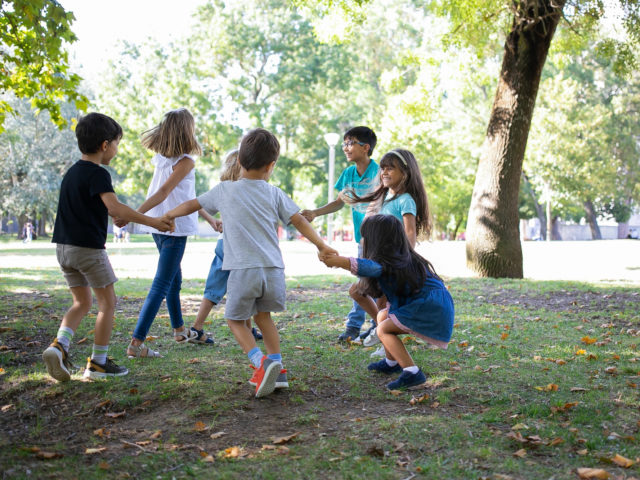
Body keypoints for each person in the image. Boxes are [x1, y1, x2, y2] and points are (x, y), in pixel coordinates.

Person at [163, 128, 336, 397]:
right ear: (271, 166)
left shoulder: (225, 190)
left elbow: (193, 204)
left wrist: (170, 214)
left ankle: (260, 363)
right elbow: (299, 219)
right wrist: (322, 245)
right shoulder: (274, 193)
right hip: (273, 271)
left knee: (234, 319)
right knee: (264, 318)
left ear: (239, 162)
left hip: (243, 270)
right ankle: (278, 368)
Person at [41, 112, 173, 382]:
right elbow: (114, 208)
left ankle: (60, 346)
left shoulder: (71, 174)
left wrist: (120, 216)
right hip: (88, 250)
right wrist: (153, 221)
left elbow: (103, 210)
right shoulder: (98, 174)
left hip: (63, 250)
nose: (116, 149)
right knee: (107, 304)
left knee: (81, 302)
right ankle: (98, 363)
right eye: (116, 143)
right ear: (105, 145)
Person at [319, 214, 454, 390]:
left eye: (364, 237)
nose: (362, 242)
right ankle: (392, 362)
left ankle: (412, 372)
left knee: (383, 329)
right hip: (429, 305)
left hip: (428, 308)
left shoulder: (389, 263)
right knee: (382, 316)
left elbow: (369, 267)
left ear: (377, 241)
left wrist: (339, 261)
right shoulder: (400, 259)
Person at [121, 108, 210, 358]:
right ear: (187, 131)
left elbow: (189, 197)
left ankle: (180, 330)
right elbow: (162, 194)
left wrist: (211, 219)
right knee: (162, 283)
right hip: (173, 227)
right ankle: (136, 343)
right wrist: (131, 213)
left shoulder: (162, 159)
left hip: (158, 227)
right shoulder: (185, 162)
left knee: (174, 280)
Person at [343, 148, 432, 350]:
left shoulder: (406, 200)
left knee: (382, 303)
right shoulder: (384, 198)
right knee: (358, 292)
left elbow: (410, 233)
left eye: (390, 168)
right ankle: (380, 328)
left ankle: (386, 341)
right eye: (382, 168)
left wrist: (405, 260)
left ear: (405, 173)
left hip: (393, 263)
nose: (384, 172)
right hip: (378, 261)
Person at [301, 126, 378, 342]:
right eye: (344, 143)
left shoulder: (379, 172)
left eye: (350, 143)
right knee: (364, 282)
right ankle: (372, 325)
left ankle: (359, 327)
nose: (346, 147)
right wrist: (315, 213)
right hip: (361, 240)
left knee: (366, 283)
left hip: (380, 240)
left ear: (366, 147)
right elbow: (338, 203)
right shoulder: (348, 174)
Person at [188, 149, 263, 345]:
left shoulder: (224, 188)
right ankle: (199, 328)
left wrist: (217, 221)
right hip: (238, 247)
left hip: (223, 243)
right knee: (244, 286)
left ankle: (198, 327)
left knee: (216, 287)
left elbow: (199, 203)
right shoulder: (248, 189)